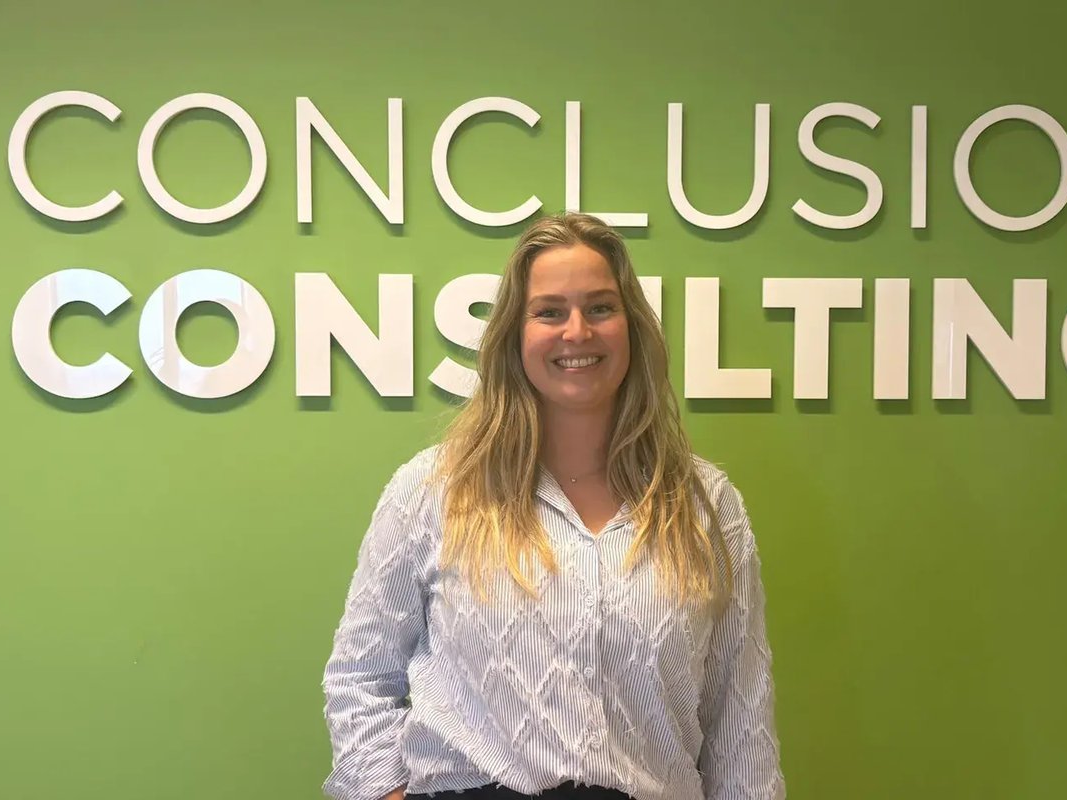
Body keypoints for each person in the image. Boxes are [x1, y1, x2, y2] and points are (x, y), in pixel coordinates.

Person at [322, 213, 784, 800]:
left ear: (632, 326)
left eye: (600, 307)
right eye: (549, 311)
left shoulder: (703, 504)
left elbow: (739, 724)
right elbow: (360, 677)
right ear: (514, 335)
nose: (577, 331)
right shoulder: (434, 489)